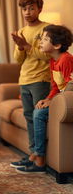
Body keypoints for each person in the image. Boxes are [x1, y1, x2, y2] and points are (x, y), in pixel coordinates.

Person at [16, 24, 73, 173]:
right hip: (59, 99)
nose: (40, 41)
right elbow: (55, 87)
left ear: (57, 45)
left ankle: (39, 156)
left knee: (39, 113)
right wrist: (47, 99)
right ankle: (37, 154)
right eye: (41, 38)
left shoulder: (66, 59)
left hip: (67, 101)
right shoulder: (53, 61)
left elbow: (69, 87)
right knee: (38, 108)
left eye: (45, 39)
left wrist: (52, 102)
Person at [10, 0, 51, 169]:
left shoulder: (47, 29)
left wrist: (27, 46)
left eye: (31, 8)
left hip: (40, 79)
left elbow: (47, 55)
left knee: (38, 117)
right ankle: (33, 154)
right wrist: (20, 46)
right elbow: (18, 59)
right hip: (24, 79)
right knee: (28, 117)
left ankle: (38, 155)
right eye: (24, 9)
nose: (27, 12)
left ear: (39, 9)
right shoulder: (21, 31)